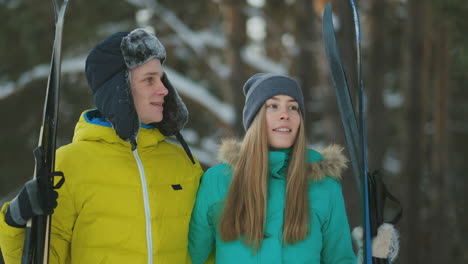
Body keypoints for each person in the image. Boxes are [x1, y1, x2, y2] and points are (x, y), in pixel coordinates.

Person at [0, 28, 204, 264]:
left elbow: (204, 251)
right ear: (120, 88)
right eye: (149, 79)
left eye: (161, 78)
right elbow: (45, 258)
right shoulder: (70, 163)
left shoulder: (183, 162)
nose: (164, 89)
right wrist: (16, 220)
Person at [188, 73, 399, 263]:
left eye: (293, 107)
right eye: (273, 105)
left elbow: (339, 259)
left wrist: (374, 258)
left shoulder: (323, 184)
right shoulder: (218, 180)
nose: (285, 114)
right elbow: (190, 256)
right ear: (254, 118)